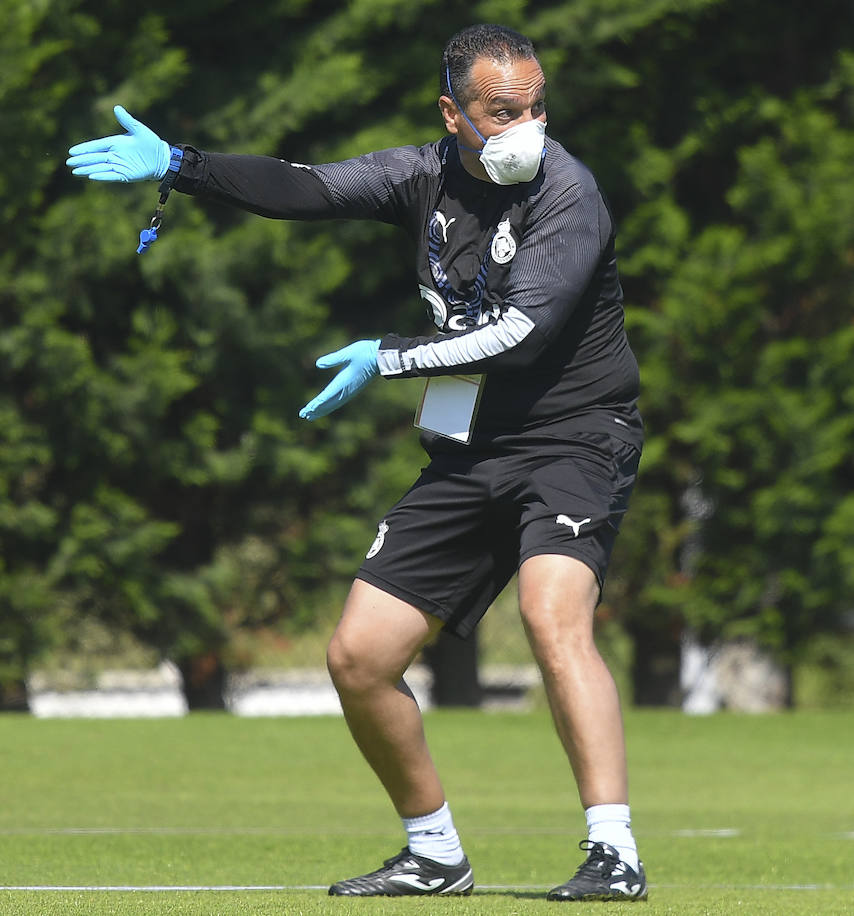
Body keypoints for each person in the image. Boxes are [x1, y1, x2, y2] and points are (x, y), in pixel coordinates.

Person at [66, 23, 647, 902]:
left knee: (550, 612)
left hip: (575, 434)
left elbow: (522, 336)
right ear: (453, 113)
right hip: (470, 444)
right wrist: (182, 165)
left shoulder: (570, 191)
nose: (526, 125)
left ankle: (615, 854)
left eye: (535, 106)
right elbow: (309, 188)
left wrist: (389, 357)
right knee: (359, 656)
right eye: (502, 111)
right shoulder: (421, 174)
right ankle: (435, 854)